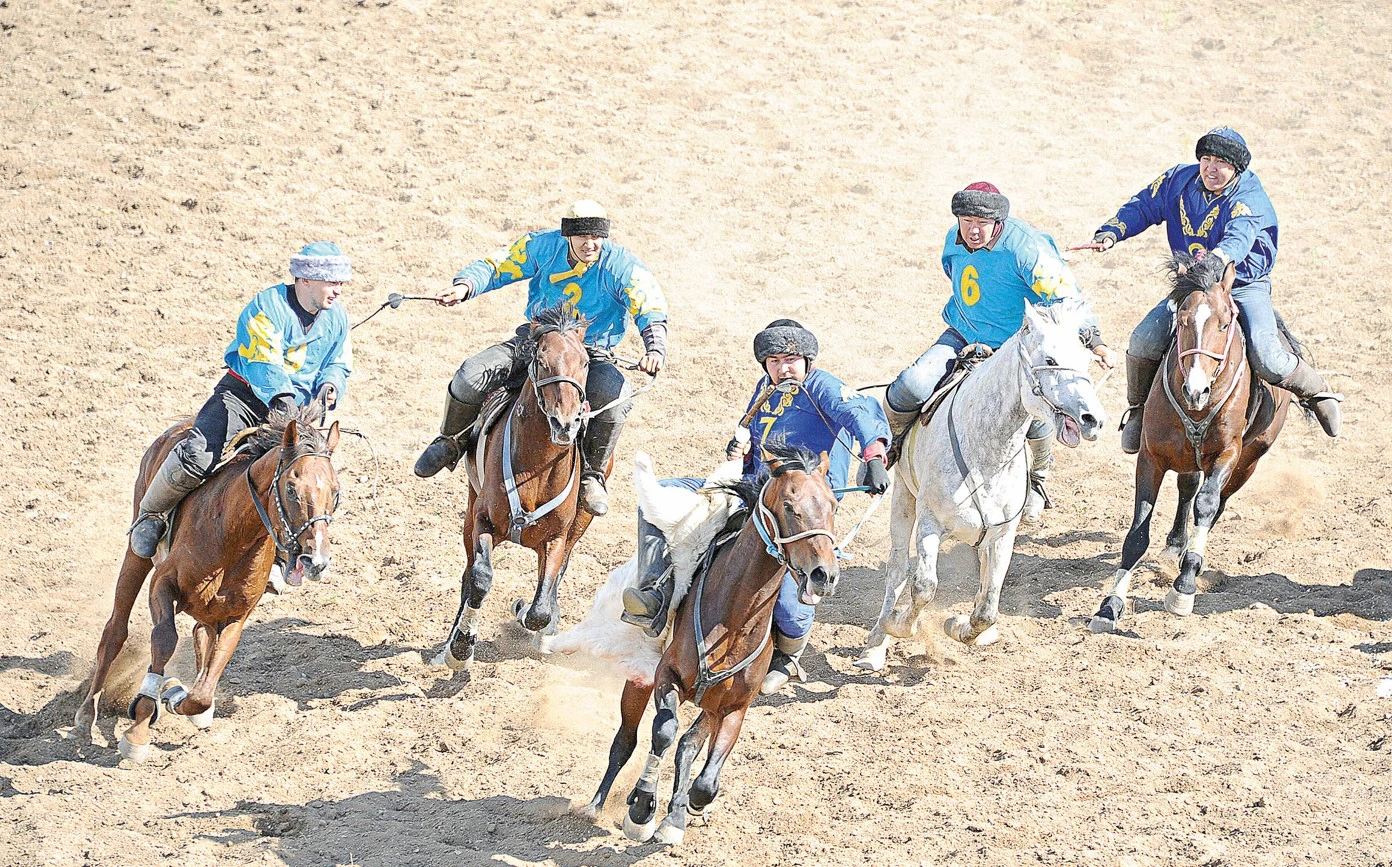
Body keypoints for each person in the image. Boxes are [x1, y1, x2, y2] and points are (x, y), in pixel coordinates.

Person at [621, 319, 890, 695]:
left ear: (807, 360)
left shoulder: (822, 387)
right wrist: (740, 452)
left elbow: (859, 412)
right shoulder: (765, 391)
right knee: (659, 493)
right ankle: (653, 594)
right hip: (754, 493)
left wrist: (874, 454)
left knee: (789, 597)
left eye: (792, 359)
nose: (784, 368)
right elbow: (750, 437)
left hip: (800, 510)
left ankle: (787, 655)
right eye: (775, 360)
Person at [1088, 126, 1341, 451]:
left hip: (1243, 284)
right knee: (1143, 339)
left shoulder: (1248, 197)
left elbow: (1238, 238)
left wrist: (1215, 262)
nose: (1210, 167)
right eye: (1206, 158)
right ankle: (1138, 411)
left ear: (1236, 167)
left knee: (1268, 356)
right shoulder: (1177, 180)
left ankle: (1316, 391)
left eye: (1220, 161)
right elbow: (1144, 206)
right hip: (1195, 287)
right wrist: (1113, 232)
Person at [415, 200, 668, 517]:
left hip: (591, 354)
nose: (590, 244)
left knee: (614, 402)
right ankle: (451, 441)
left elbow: (649, 303)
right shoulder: (541, 246)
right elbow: (498, 265)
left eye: (597, 237)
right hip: (537, 341)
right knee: (470, 375)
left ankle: (592, 474)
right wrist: (465, 286)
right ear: (568, 236)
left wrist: (655, 347)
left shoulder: (621, 265)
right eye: (582, 237)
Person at [885, 182, 1117, 520]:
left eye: (982, 222)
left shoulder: (1027, 249)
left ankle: (1036, 479)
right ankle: (890, 445)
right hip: (962, 333)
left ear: (999, 222)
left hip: (1013, 349)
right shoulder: (954, 239)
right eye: (966, 220)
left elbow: (1066, 297)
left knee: (1035, 411)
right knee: (912, 385)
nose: (974, 230)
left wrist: (1093, 338)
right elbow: (953, 270)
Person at [127, 242, 353, 558]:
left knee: (305, 476)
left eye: (341, 283)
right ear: (305, 279)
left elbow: (338, 362)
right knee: (198, 455)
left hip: (296, 413)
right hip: (243, 398)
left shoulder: (337, 318)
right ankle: (150, 515)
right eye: (332, 282)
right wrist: (283, 399)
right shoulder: (267, 307)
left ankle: (286, 550)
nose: (338, 290)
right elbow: (263, 362)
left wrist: (332, 383)